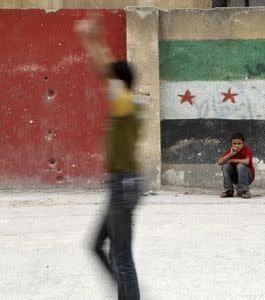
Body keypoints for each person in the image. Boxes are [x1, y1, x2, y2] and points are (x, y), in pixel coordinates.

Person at [75, 15, 141, 298]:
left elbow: (103, 70)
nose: (106, 84)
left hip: (123, 185)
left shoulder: (125, 102)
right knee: (100, 246)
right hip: (123, 184)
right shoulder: (127, 104)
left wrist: (92, 38)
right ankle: (126, 292)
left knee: (121, 256)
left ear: (119, 83)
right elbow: (106, 72)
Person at [217, 132, 255, 198]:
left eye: (239, 143)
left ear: (243, 143)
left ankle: (244, 190)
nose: (236, 145)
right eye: (234, 143)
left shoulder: (246, 150)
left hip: (247, 176)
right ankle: (229, 190)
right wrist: (231, 154)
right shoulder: (230, 151)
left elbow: (246, 162)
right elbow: (219, 162)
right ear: (231, 144)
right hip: (236, 177)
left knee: (240, 166)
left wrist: (232, 160)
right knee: (225, 166)